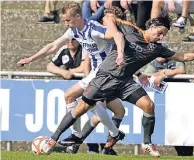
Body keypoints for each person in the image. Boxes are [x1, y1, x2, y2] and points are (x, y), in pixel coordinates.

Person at [42, 11, 194, 157]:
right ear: (151, 27)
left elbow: (182, 57)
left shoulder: (157, 48)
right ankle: (53, 138)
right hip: (105, 77)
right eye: (159, 33)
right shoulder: (130, 29)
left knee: (149, 106)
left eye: (163, 35)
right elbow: (109, 17)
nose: (160, 37)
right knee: (81, 109)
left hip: (125, 82)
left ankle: (147, 143)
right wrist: (116, 34)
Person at [17, 3, 126, 155]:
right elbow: (53, 46)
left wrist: (120, 54)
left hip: (106, 72)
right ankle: (95, 134)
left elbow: (118, 35)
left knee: (82, 100)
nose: (66, 23)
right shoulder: (73, 31)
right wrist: (31, 59)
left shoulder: (94, 28)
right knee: (72, 97)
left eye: (68, 20)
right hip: (96, 73)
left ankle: (81, 136)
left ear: (78, 17)